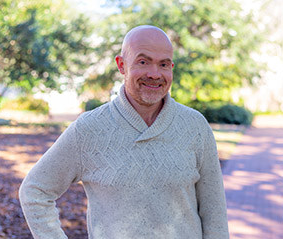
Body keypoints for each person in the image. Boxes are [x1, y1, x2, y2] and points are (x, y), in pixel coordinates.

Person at [19, 25, 229, 239]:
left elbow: (215, 215)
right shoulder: (89, 129)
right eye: (143, 61)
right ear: (122, 65)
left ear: (171, 67)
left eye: (163, 64)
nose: (154, 74)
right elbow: (35, 191)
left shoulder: (195, 126)